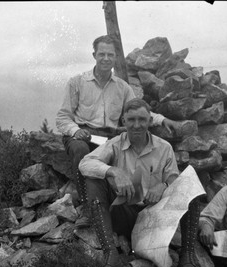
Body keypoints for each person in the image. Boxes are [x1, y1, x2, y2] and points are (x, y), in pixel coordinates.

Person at [55, 35, 180, 228]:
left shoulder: (122, 87)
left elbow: (138, 110)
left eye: (110, 55)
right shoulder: (77, 82)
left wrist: (163, 120)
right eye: (102, 54)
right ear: (94, 55)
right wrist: (75, 130)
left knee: (122, 155)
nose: (106, 58)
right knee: (81, 151)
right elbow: (63, 117)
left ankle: (125, 211)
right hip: (82, 134)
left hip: (107, 136)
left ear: (115, 57)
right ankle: (89, 210)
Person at [78, 99, 206, 267]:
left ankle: (187, 257)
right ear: (124, 121)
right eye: (131, 119)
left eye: (142, 119)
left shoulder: (164, 147)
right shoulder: (114, 144)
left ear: (149, 121)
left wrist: (163, 186)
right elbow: (85, 163)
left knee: (190, 185)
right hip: (124, 214)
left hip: (154, 217)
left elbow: (173, 178)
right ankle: (110, 256)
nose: (136, 125)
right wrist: (114, 171)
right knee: (94, 180)